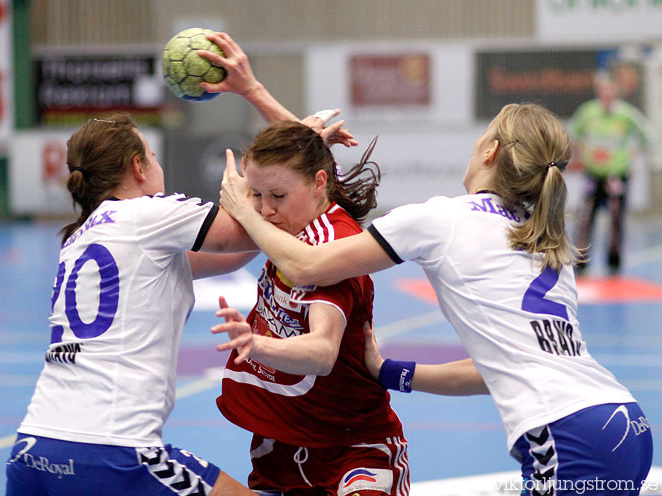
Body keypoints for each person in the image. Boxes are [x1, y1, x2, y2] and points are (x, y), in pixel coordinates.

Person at [219, 103, 653, 495]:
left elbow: (307, 264)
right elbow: (495, 370)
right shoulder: (540, 242)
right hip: (622, 419)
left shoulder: (439, 219)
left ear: (490, 152)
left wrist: (243, 209)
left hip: (566, 433)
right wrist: (393, 373)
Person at [5, 29, 355, 495]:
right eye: (151, 155)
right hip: (112, 451)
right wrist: (296, 144)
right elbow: (250, 223)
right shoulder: (147, 214)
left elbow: (256, 239)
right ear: (137, 168)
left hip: (33, 448)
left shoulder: (84, 238)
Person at [210, 120, 419, 496]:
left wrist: (257, 345)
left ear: (319, 183)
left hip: (353, 449)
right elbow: (300, 158)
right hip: (281, 445)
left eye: (277, 196)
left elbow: (322, 352)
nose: (265, 210)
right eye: (255, 195)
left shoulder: (329, 247)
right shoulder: (292, 225)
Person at [571, 73, 649, 275]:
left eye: (610, 92)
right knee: (586, 217)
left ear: (616, 93)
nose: (606, 96)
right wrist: (583, 154)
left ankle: (613, 263)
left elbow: (646, 135)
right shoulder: (588, 112)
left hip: (616, 175)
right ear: (599, 93)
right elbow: (574, 133)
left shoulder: (627, 115)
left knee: (616, 219)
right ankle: (581, 260)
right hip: (593, 174)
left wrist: (630, 154)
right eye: (603, 92)